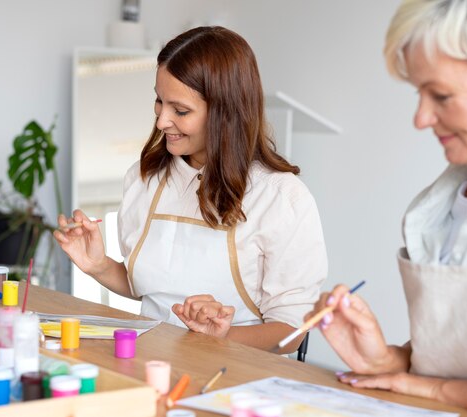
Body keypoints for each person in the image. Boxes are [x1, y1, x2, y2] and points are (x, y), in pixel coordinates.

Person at [306, 0, 467, 415]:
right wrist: (392, 361)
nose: (421, 117)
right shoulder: (448, 193)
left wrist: (437, 391)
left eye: (441, 95)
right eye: (419, 93)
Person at [55, 26, 327, 353]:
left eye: (180, 110)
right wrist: (98, 265)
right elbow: (149, 290)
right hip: (151, 361)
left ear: (226, 113)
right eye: (159, 101)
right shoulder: (145, 179)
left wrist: (222, 337)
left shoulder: (280, 197)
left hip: (237, 378)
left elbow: (291, 332)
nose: (161, 121)